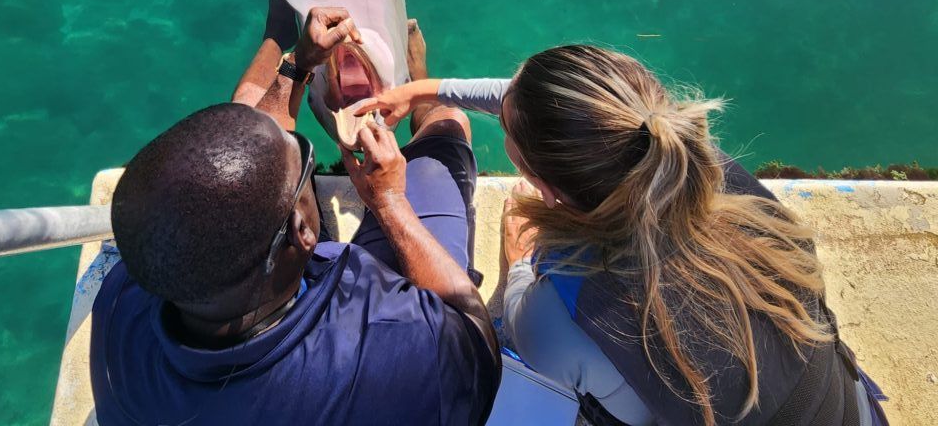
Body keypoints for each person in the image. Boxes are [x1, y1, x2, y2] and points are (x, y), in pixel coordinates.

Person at [356, 44, 889, 426]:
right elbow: (540, 109)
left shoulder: (565, 310)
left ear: (545, 189)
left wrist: (518, 265)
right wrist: (426, 89)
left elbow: (504, 328)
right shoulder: (707, 171)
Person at [88, 0, 500, 425]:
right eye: (304, 159)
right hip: (337, 293)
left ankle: (278, 37)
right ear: (303, 233)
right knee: (448, 132)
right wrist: (390, 202)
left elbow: (246, 145)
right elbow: (473, 339)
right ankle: (423, 88)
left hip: (268, 280)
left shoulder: (123, 305)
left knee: (240, 127)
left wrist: (297, 67)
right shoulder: (388, 352)